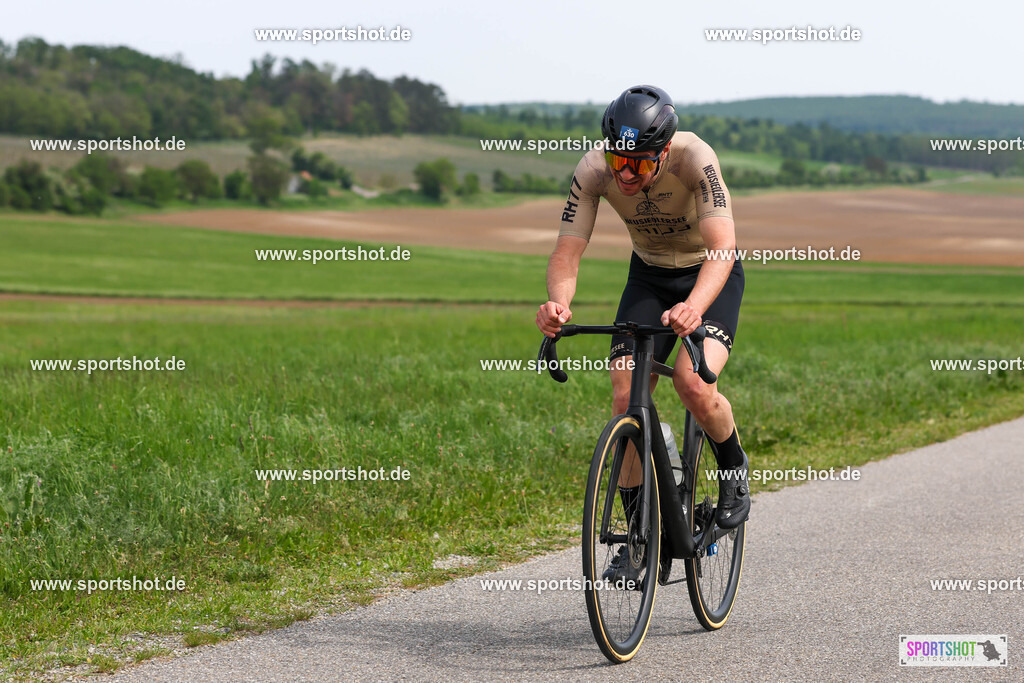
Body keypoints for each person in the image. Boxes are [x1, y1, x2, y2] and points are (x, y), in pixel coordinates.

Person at [535, 85, 749, 582]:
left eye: (640, 163)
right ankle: (637, 538)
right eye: (619, 161)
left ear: (665, 151)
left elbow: (723, 247)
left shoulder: (696, 159)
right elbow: (567, 251)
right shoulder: (593, 170)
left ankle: (734, 469)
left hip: (708, 274)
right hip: (649, 275)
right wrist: (557, 306)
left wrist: (695, 308)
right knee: (624, 389)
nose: (625, 174)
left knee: (692, 382)